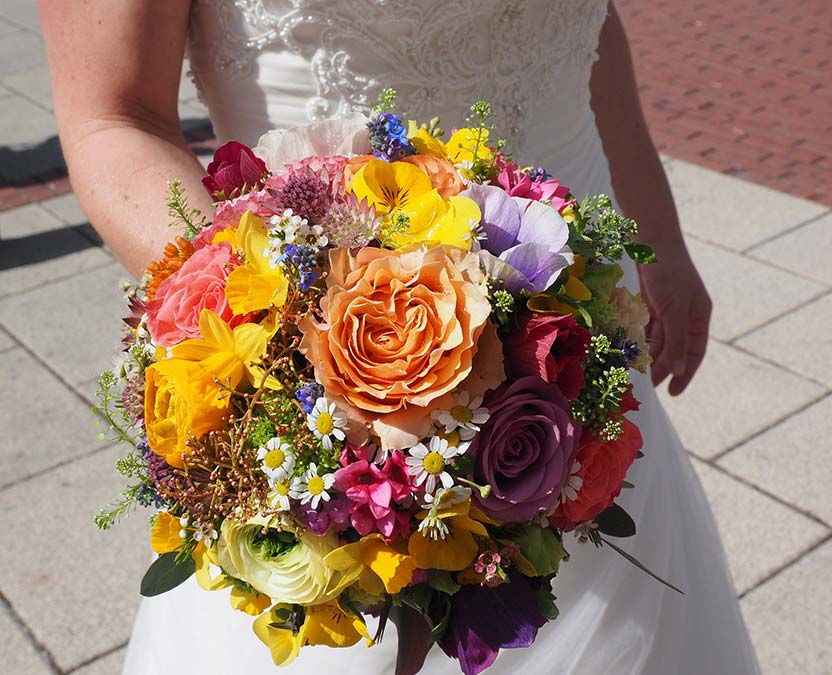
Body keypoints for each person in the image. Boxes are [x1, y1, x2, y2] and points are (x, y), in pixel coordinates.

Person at [39, 1, 760, 673]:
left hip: (579, 332)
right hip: (330, 403)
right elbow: (113, 116)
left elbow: (587, 30)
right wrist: (285, 357)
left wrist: (659, 241)